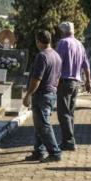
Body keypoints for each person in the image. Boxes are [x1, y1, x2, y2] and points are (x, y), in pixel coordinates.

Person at [22, 29, 63, 162]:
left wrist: (28, 94)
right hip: (51, 93)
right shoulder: (56, 56)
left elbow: (36, 79)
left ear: (38, 41)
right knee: (39, 124)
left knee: (43, 125)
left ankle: (55, 152)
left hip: (41, 95)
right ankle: (39, 151)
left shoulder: (42, 56)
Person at [54, 22, 91, 151]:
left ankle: (68, 141)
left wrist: (54, 81)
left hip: (64, 81)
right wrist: (88, 81)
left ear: (63, 32)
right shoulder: (80, 45)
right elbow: (86, 65)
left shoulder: (63, 43)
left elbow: (57, 63)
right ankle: (68, 140)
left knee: (63, 113)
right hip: (76, 83)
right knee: (70, 113)